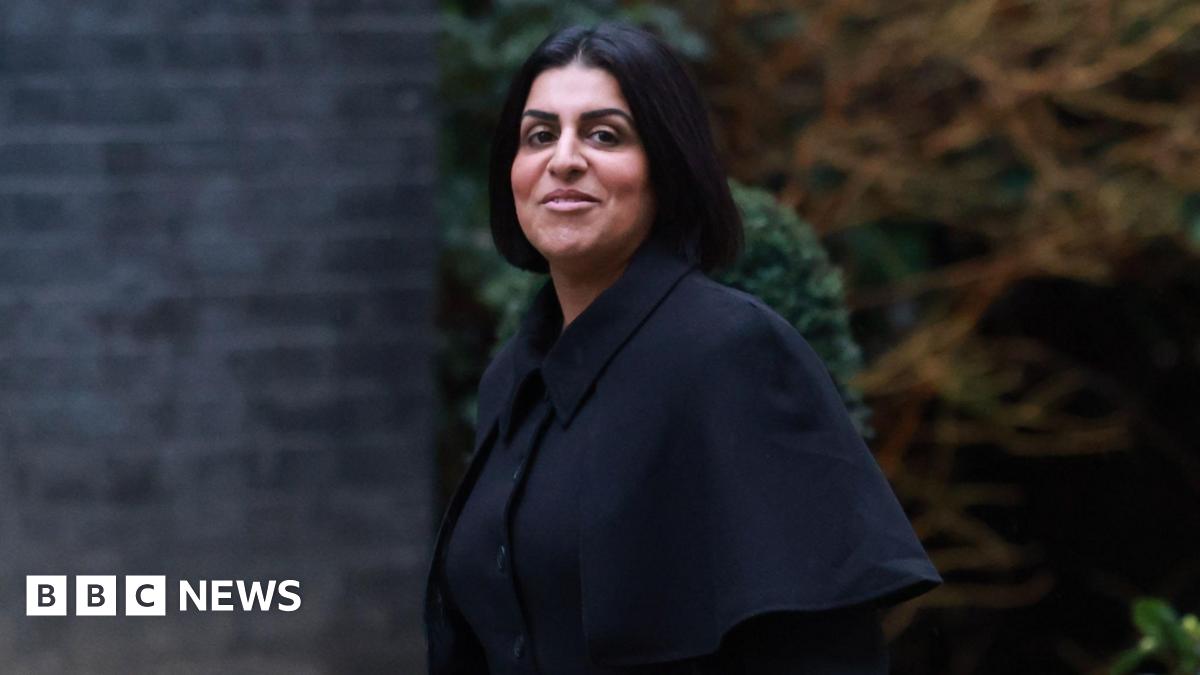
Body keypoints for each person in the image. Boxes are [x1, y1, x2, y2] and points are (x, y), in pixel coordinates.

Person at [424, 22, 941, 674]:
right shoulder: (511, 377)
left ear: (666, 166)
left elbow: (823, 651)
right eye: (540, 134)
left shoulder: (733, 353)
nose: (564, 158)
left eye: (604, 134)